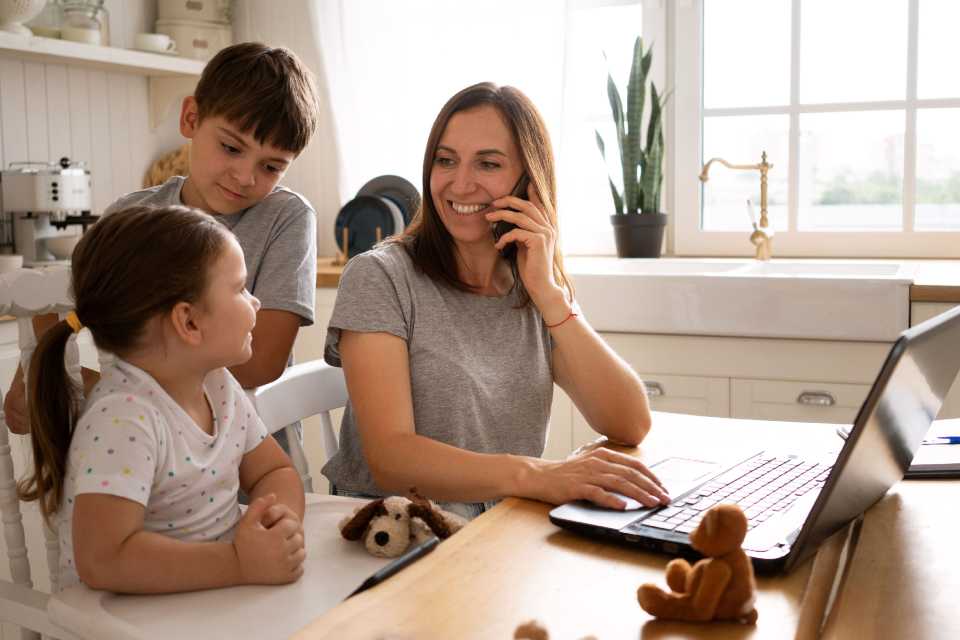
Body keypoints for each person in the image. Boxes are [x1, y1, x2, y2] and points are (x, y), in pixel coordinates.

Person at [322, 82, 669, 519]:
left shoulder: (532, 285)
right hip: (396, 530)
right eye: (445, 161)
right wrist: (536, 475)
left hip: (500, 523)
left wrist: (550, 294)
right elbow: (391, 460)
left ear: (529, 181)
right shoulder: (380, 277)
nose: (460, 184)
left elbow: (629, 422)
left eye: (487, 164)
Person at [4, 42, 321, 456]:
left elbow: (260, 363)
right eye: (231, 147)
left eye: (271, 167)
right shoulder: (130, 214)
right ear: (190, 118)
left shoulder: (287, 218)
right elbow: (64, 304)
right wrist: (35, 375)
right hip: (133, 452)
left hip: (244, 459)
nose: (245, 176)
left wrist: (112, 387)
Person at [18, 205, 306, 593]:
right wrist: (239, 562)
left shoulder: (218, 386)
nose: (254, 302)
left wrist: (279, 522)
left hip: (207, 603)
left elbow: (274, 471)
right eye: (240, 288)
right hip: (126, 621)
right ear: (188, 322)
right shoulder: (124, 418)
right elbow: (104, 560)